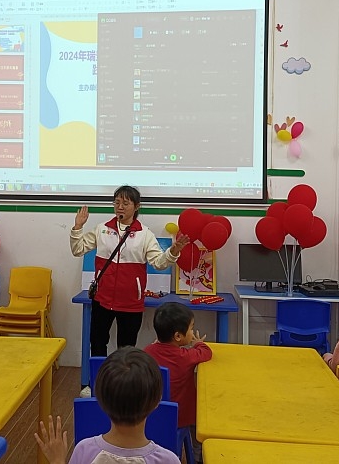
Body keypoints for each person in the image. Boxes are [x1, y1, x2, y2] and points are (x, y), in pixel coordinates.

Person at [70, 185, 190, 396]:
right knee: (97, 344)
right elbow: (77, 249)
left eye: (125, 203)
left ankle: (122, 390)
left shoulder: (145, 234)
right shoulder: (102, 229)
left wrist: (172, 252)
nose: (120, 206)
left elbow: (159, 263)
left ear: (136, 206)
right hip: (102, 299)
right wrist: (77, 227)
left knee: (126, 349)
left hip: (131, 302)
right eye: (117, 202)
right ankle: (97, 386)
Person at [35, 347, 181, 464]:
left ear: (100, 399)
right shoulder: (168, 460)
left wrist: (58, 461)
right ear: (157, 401)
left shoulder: (84, 451)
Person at [144, 302, 212, 463]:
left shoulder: (147, 352)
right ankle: (198, 458)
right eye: (191, 328)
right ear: (178, 336)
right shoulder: (186, 357)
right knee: (199, 423)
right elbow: (207, 352)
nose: (192, 332)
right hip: (181, 417)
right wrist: (197, 343)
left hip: (150, 413)